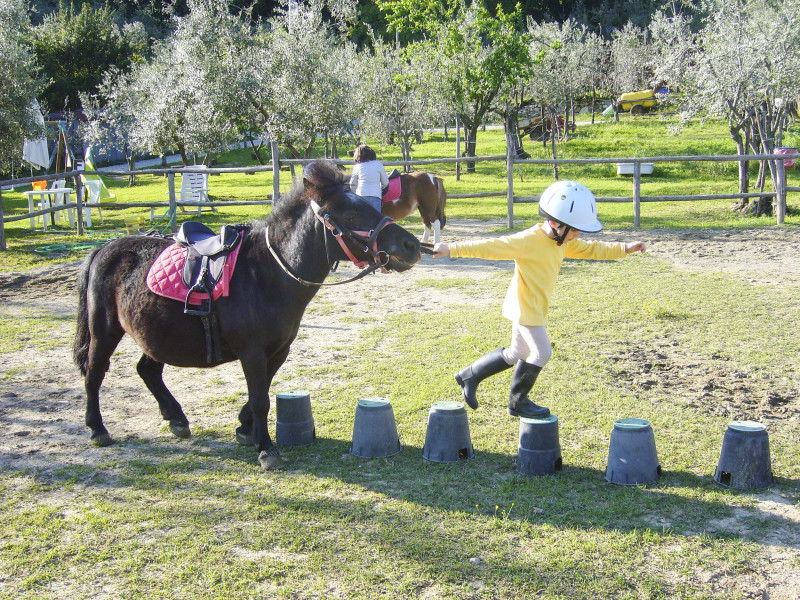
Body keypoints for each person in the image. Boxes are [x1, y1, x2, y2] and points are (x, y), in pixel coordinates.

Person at [432, 180, 646, 419]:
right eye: (575, 230)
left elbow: (592, 249)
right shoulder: (528, 240)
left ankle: (469, 376)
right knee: (542, 353)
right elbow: (490, 246)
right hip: (526, 307)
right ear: (555, 224)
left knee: (516, 353)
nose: (577, 236)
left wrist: (624, 248)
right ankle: (517, 403)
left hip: (531, 305)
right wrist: (451, 248)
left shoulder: (563, 241)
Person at [349, 144, 389, 213]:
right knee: (376, 221)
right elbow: (385, 183)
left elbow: (353, 184)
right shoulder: (378, 164)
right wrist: (379, 190)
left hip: (361, 196)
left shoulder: (357, 166)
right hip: (375, 196)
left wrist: (354, 194)